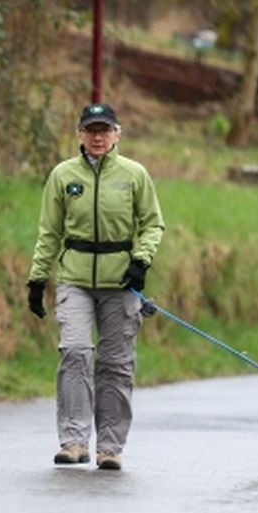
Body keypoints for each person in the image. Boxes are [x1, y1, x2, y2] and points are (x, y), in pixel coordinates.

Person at [26, 102, 164, 470]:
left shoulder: (134, 175)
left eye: (105, 130)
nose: (98, 137)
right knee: (75, 352)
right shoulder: (62, 175)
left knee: (115, 365)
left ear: (117, 134)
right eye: (91, 130)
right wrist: (37, 278)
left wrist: (140, 261)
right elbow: (49, 231)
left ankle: (110, 447)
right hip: (75, 279)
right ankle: (73, 440)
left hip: (120, 282)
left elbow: (152, 223)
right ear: (80, 135)